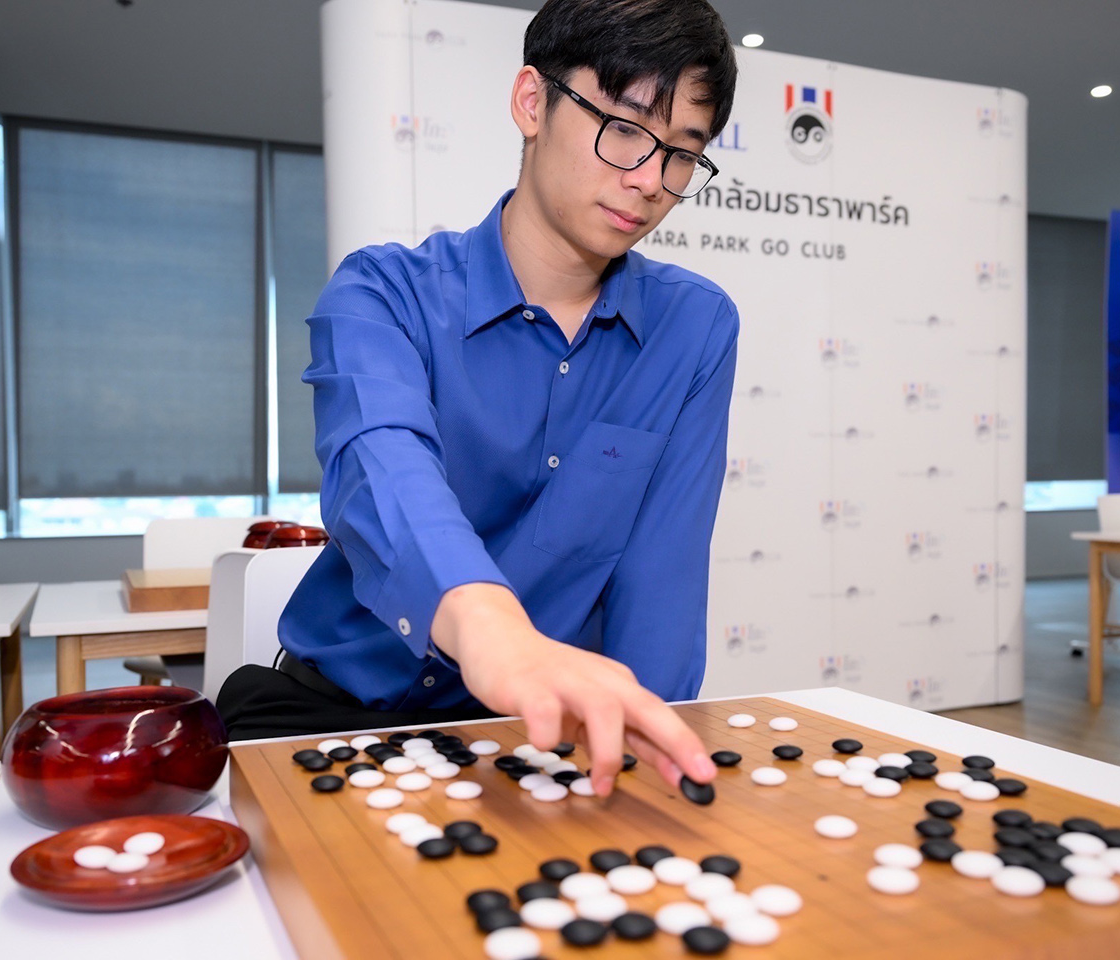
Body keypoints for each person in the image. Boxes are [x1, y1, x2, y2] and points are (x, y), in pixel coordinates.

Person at [218, 0, 739, 799]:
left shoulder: (695, 327)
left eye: (680, 154)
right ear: (533, 101)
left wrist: (645, 742)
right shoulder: (382, 293)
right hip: (329, 713)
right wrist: (491, 629)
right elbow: (383, 475)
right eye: (625, 128)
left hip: (531, 740)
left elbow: (661, 582)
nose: (647, 180)